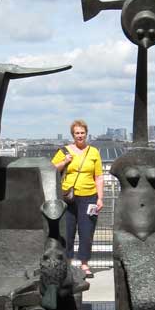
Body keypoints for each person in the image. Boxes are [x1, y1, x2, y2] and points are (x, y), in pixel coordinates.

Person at [51, 119, 104, 278]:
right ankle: (67, 263)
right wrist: (64, 161)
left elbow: (99, 176)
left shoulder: (94, 152)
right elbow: (51, 169)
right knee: (67, 231)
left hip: (89, 196)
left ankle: (84, 264)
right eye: (77, 133)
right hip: (69, 197)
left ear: (86, 134)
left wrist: (100, 198)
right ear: (73, 135)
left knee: (86, 231)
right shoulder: (64, 151)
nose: (80, 136)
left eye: (82, 133)